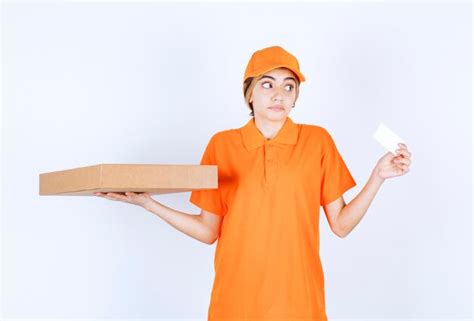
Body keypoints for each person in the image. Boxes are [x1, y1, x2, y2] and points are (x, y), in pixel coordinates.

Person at [95, 45, 412, 321]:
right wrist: (148, 203)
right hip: (235, 305)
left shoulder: (317, 141)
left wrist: (377, 177)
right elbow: (208, 231)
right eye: (267, 84)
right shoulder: (222, 145)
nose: (279, 94)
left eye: (289, 87)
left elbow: (341, 225)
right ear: (249, 92)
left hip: (299, 306)